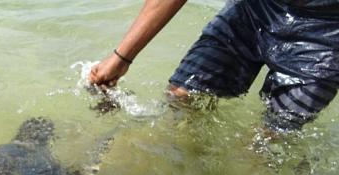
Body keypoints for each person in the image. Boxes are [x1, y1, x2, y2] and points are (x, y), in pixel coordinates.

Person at [89, 0, 339, 131]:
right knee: (181, 99)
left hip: (328, 28)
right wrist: (121, 58)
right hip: (255, 7)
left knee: (266, 144)